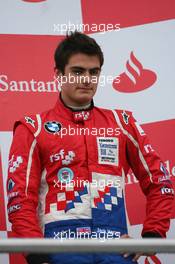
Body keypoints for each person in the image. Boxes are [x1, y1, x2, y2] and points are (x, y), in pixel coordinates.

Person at [7, 31, 174, 264]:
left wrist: (151, 237)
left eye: (93, 72)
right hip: (59, 252)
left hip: (116, 252)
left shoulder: (122, 123)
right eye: (77, 71)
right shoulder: (33, 128)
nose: (86, 79)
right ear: (58, 74)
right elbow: (20, 199)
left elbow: (161, 183)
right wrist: (37, 255)